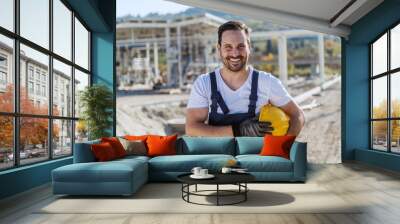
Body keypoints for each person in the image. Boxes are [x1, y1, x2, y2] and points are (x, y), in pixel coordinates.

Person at [185, 21, 305, 137]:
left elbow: (297, 115)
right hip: (218, 157)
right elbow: (192, 128)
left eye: (241, 46)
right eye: (228, 47)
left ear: (249, 47)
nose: (235, 53)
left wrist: (283, 147)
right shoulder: (204, 84)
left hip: (256, 157)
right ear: (219, 48)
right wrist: (239, 131)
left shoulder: (265, 82)